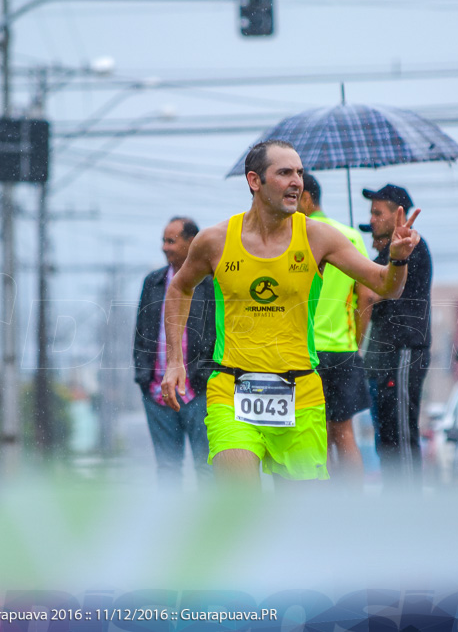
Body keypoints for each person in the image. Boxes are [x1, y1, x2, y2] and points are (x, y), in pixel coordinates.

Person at [160, 140, 421, 486]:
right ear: (255, 180)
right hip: (232, 390)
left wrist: (398, 258)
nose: (297, 181)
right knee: (239, 500)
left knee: (297, 516)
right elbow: (179, 288)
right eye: (284, 172)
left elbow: (386, 286)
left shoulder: (318, 237)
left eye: (299, 172)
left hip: (299, 391)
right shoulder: (215, 240)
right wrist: (175, 360)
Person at [295, 173, 372, 484]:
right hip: (342, 350)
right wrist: (357, 339)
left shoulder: (295, 237)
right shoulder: (350, 236)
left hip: (305, 353)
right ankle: (353, 504)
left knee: (316, 433)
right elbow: (367, 294)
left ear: (308, 199)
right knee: (344, 432)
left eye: (295, 195)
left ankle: (324, 506)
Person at [133, 217, 215, 488]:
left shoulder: (211, 283)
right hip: (157, 390)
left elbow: (216, 334)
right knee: (167, 468)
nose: (165, 247)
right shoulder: (153, 283)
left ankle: (208, 526)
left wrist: (204, 375)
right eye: (163, 240)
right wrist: (144, 377)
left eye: (171, 241)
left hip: (199, 390)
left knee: (206, 466)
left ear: (192, 242)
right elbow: (142, 332)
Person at [361, 184, 432, 488]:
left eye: (378, 213)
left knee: (401, 434)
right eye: (371, 213)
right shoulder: (386, 255)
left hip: (404, 350)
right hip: (382, 355)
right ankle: (394, 501)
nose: (372, 219)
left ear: (398, 214)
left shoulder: (410, 247)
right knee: (386, 434)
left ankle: (409, 505)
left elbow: (368, 293)